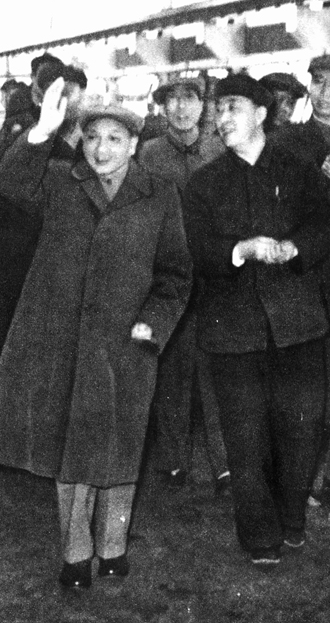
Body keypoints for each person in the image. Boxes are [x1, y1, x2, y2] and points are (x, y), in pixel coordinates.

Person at [0, 78, 192, 588]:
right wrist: (42, 131)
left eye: (115, 139)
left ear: (134, 145)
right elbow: (8, 182)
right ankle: (76, 552)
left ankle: (113, 545)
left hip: (128, 340)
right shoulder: (59, 181)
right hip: (66, 339)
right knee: (72, 450)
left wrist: (155, 322)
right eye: (92, 137)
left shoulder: (159, 193)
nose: (101, 149)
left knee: (121, 444)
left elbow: (176, 274)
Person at [182, 73, 330, 568]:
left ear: (262, 114)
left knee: (301, 431)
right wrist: (238, 251)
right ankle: (260, 535)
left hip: (299, 325)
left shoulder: (301, 172)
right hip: (232, 330)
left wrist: (297, 248)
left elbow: (325, 223)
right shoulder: (203, 184)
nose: (222, 117)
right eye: (218, 108)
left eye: (233, 107)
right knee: (244, 439)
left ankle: (291, 517)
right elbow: (197, 250)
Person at [137, 76, 228, 493]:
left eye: (188, 98)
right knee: (172, 365)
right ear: (162, 108)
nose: (180, 108)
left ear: (202, 105)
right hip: (170, 271)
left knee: (217, 366)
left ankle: (224, 463)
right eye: (171, 100)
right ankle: (173, 460)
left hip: (213, 273)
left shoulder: (218, 149)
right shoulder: (150, 154)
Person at [0, 61, 86, 359]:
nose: (68, 106)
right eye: (59, 97)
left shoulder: (87, 147)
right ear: (41, 98)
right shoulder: (28, 138)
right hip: (18, 257)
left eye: (73, 97)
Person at [273, 54, 330, 508]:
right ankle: (302, 477)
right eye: (319, 82)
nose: (326, 93)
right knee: (305, 385)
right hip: (306, 277)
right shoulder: (288, 142)